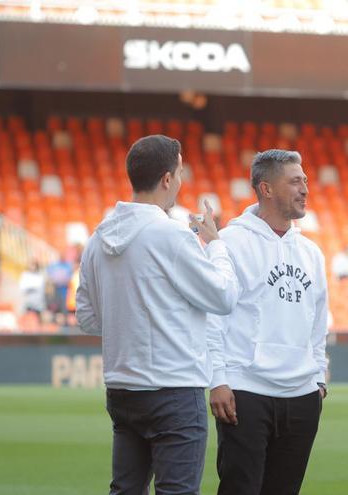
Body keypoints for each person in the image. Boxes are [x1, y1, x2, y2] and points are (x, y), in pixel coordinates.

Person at [76, 134, 239, 495]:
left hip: (122, 387)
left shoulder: (97, 239)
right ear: (167, 178)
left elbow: (87, 318)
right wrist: (215, 245)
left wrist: (130, 317)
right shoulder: (172, 235)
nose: (180, 181)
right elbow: (224, 296)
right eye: (180, 172)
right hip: (174, 388)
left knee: (125, 490)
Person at [206, 149, 329, 495]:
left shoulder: (311, 252)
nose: (305, 188)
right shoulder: (230, 242)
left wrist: (318, 377)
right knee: (240, 489)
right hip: (246, 391)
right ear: (267, 188)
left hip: (302, 394)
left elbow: (318, 321)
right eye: (294, 181)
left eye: (305, 180)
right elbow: (213, 315)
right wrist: (218, 378)